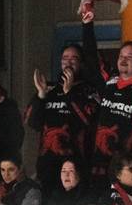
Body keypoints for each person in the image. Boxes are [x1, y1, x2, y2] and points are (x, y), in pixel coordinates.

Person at [81, 11, 132, 181]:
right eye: (121, 56)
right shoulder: (108, 80)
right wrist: (87, 23)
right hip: (96, 165)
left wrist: (131, 167)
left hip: (123, 170)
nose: (123, 60)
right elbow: (91, 57)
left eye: (129, 57)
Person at [26, 43, 98, 188]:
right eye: (65, 58)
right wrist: (40, 94)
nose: (69, 62)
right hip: (47, 165)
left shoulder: (89, 90)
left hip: (76, 167)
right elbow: (32, 122)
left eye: (74, 58)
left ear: (81, 63)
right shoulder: (49, 89)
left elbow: (89, 121)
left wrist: (69, 94)